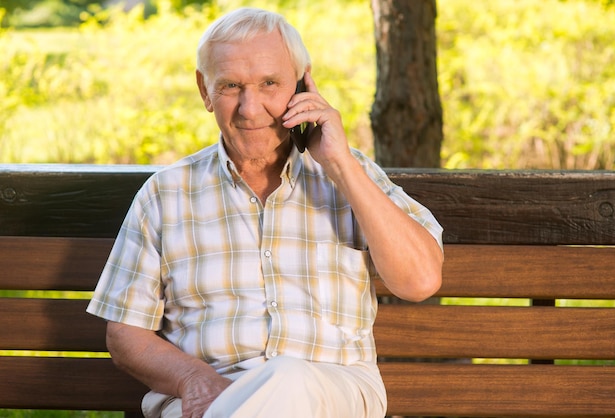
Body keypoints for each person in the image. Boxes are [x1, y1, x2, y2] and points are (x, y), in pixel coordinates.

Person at [87, 7, 444, 418]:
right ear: (205, 90)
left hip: (333, 390)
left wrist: (341, 165)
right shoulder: (165, 194)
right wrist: (193, 378)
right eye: (231, 86)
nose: (250, 108)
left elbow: (419, 281)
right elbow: (125, 332)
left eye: (270, 83)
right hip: (206, 399)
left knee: (288, 378)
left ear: (302, 82)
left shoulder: (352, 174)